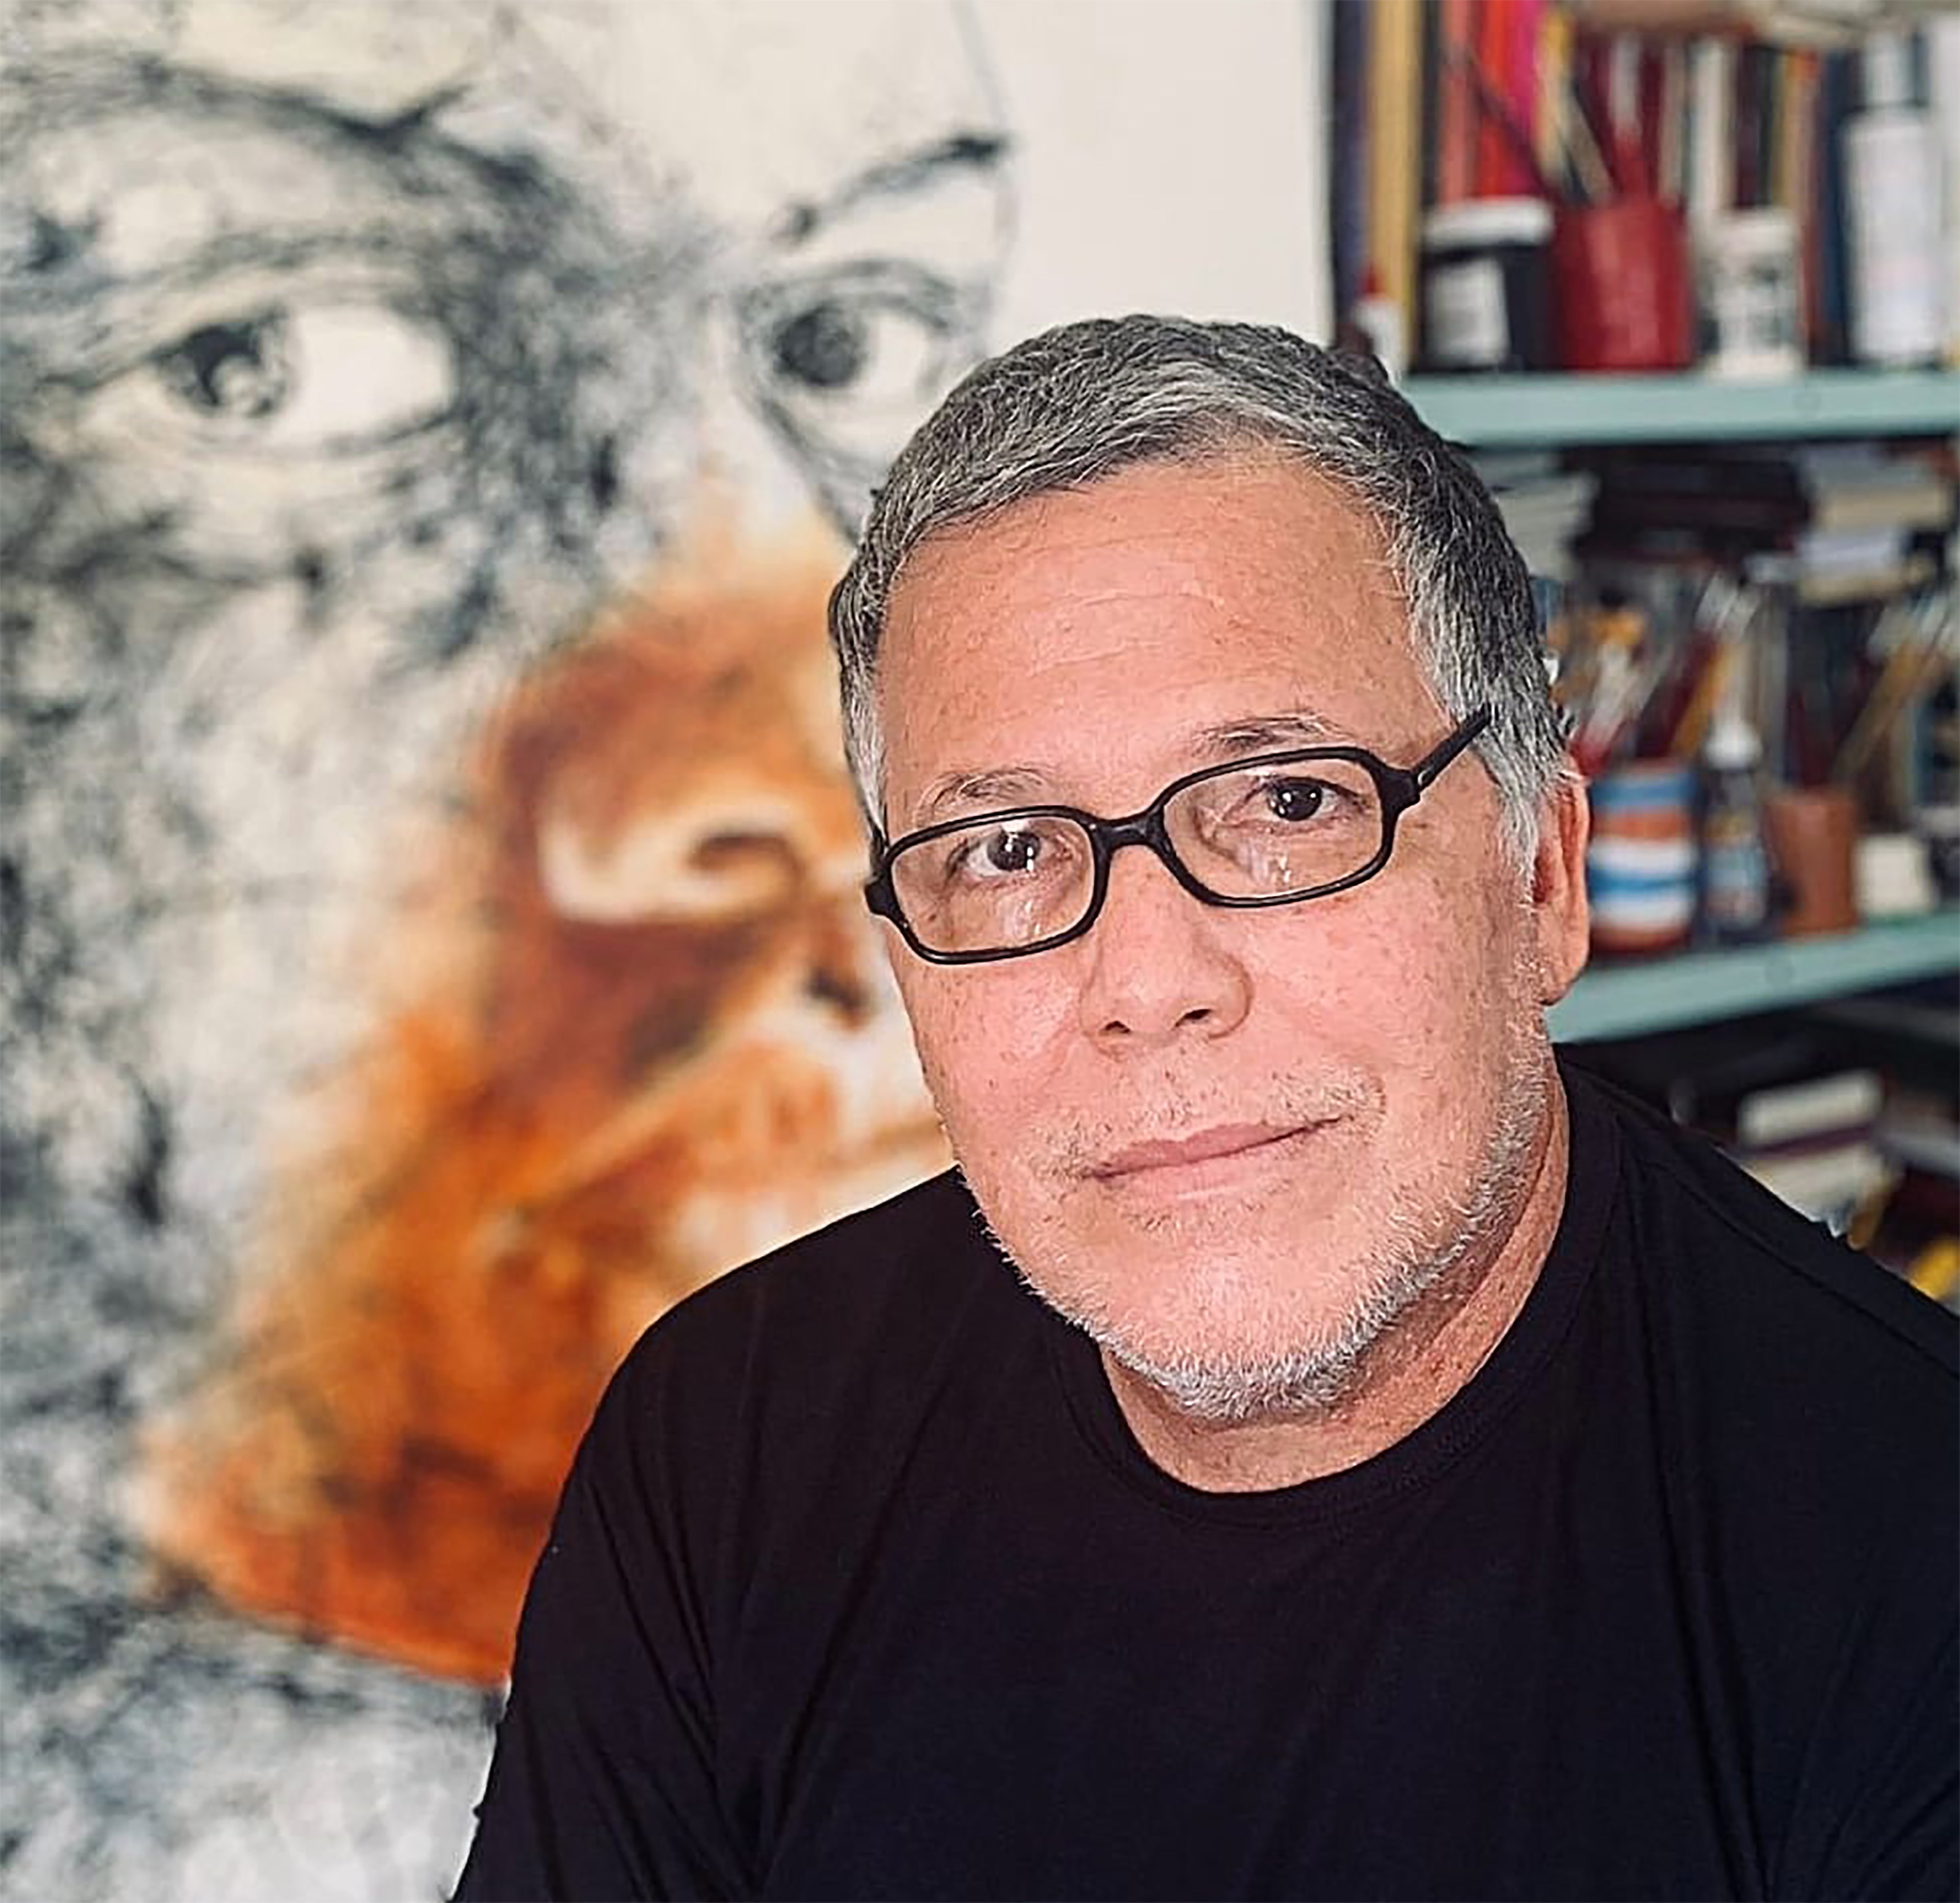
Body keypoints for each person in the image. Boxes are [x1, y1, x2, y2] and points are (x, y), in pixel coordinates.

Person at [455, 316, 1958, 1901]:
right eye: (1008, 850)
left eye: (1290, 802)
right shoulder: (724, 1448)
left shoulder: (1909, 1570)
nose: (1148, 980)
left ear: (1542, 879)